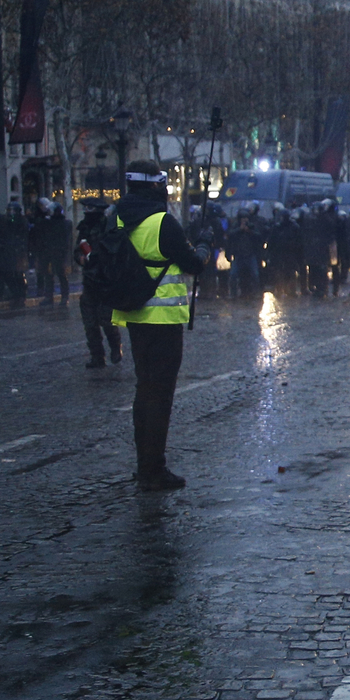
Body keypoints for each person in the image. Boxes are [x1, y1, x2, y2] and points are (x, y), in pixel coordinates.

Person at [110, 162, 207, 490]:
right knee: (159, 395)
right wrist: (204, 248)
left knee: (144, 390)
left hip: (134, 313)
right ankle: (153, 470)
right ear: (156, 186)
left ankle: (145, 464)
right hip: (163, 319)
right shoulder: (162, 222)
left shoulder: (118, 216)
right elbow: (193, 263)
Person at [75, 199, 123, 369]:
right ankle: (97, 356)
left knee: (107, 320)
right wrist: (80, 258)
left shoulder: (108, 227)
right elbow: (78, 249)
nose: (87, 212)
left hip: (106, 281)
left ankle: (116, 348)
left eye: (90, 209)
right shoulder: (84, 228)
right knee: (90, 323)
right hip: (89, 280)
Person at [31, 199, 73, 303]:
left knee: (61, 275)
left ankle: (64, 296)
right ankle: (49, 296)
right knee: (48, 276)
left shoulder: (64, 224)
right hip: (48, 252)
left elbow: (65, 239)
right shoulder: (47, 223)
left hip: (59, 253)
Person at [226, 207, 264, 298]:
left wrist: (249, 231)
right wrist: (240, 229)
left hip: (250, 255)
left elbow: (259, 236)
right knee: (233, 275)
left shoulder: (252, 225)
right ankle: (233, 293)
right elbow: (230, 235)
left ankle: (256, 292)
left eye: (246, 218)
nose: (244, 220)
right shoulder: (235, 225)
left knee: (255, 274)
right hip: (238, 255)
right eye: (242, 218)